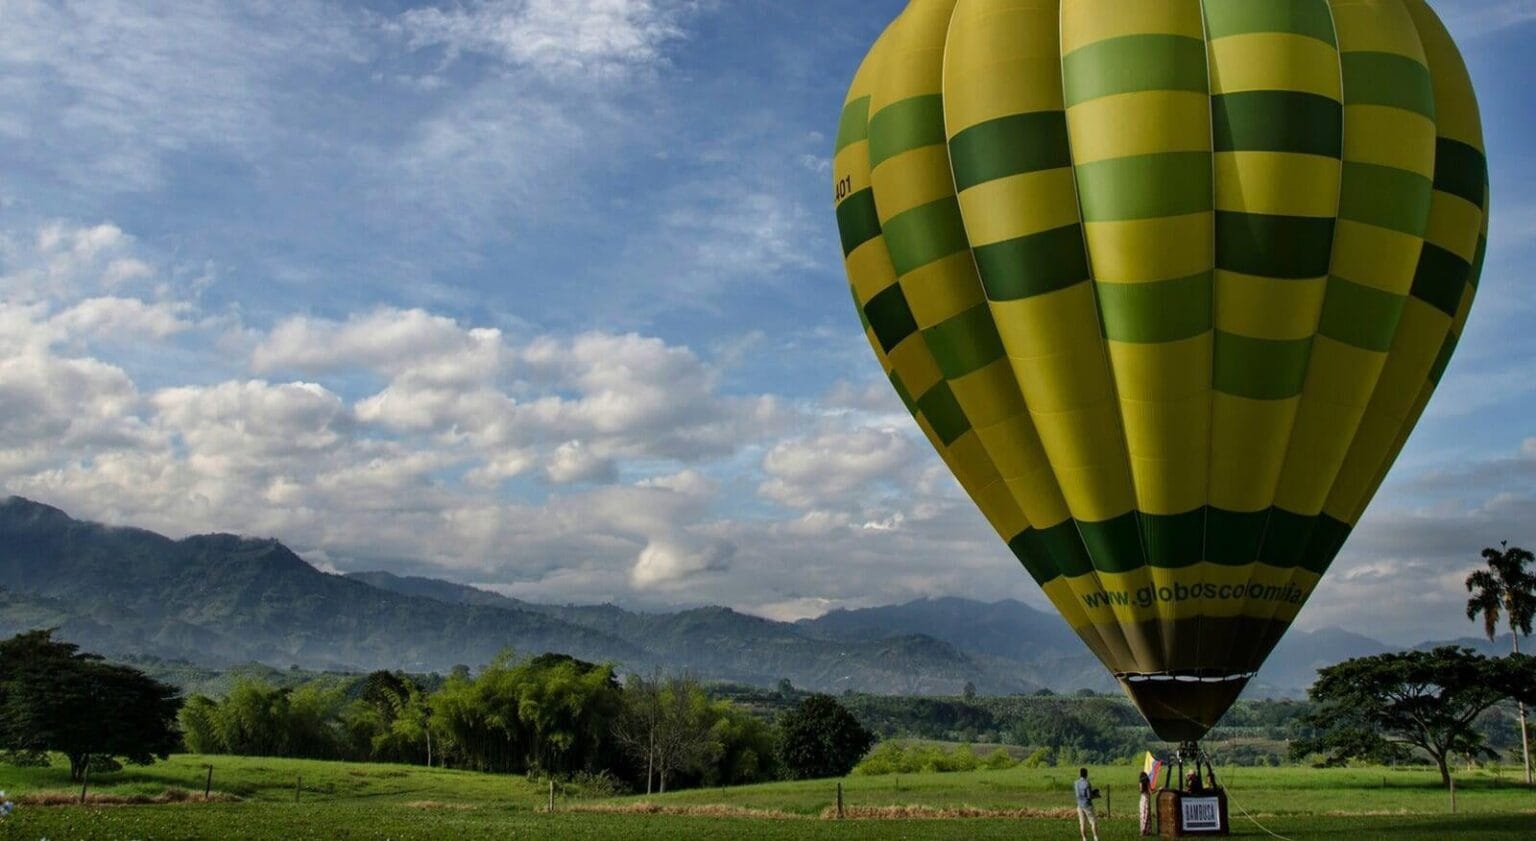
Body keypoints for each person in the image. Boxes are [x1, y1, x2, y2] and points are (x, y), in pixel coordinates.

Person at [1074, 767, 1100, 841]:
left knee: (1082, 823)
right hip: (1087, 805)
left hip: (1079, 805)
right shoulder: (1087, 783)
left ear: (1080, 774)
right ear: (1086, 774)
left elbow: (1078, 794)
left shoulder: (1076, 783)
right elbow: (1089, 796)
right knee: (1093, 822)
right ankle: (1096, 838)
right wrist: (1096, 795)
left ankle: (1084, 839)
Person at [1138, 770, 1153, 836]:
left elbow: (1141, 790)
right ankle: (1147, 830)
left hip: (1142, 798)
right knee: (1147, 814)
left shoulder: (1140, 782)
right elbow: (1151, 792)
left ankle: (1143, 830)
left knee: (1142, 814)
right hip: (1147, 798)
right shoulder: (1147, 781)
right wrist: (1158, 789)